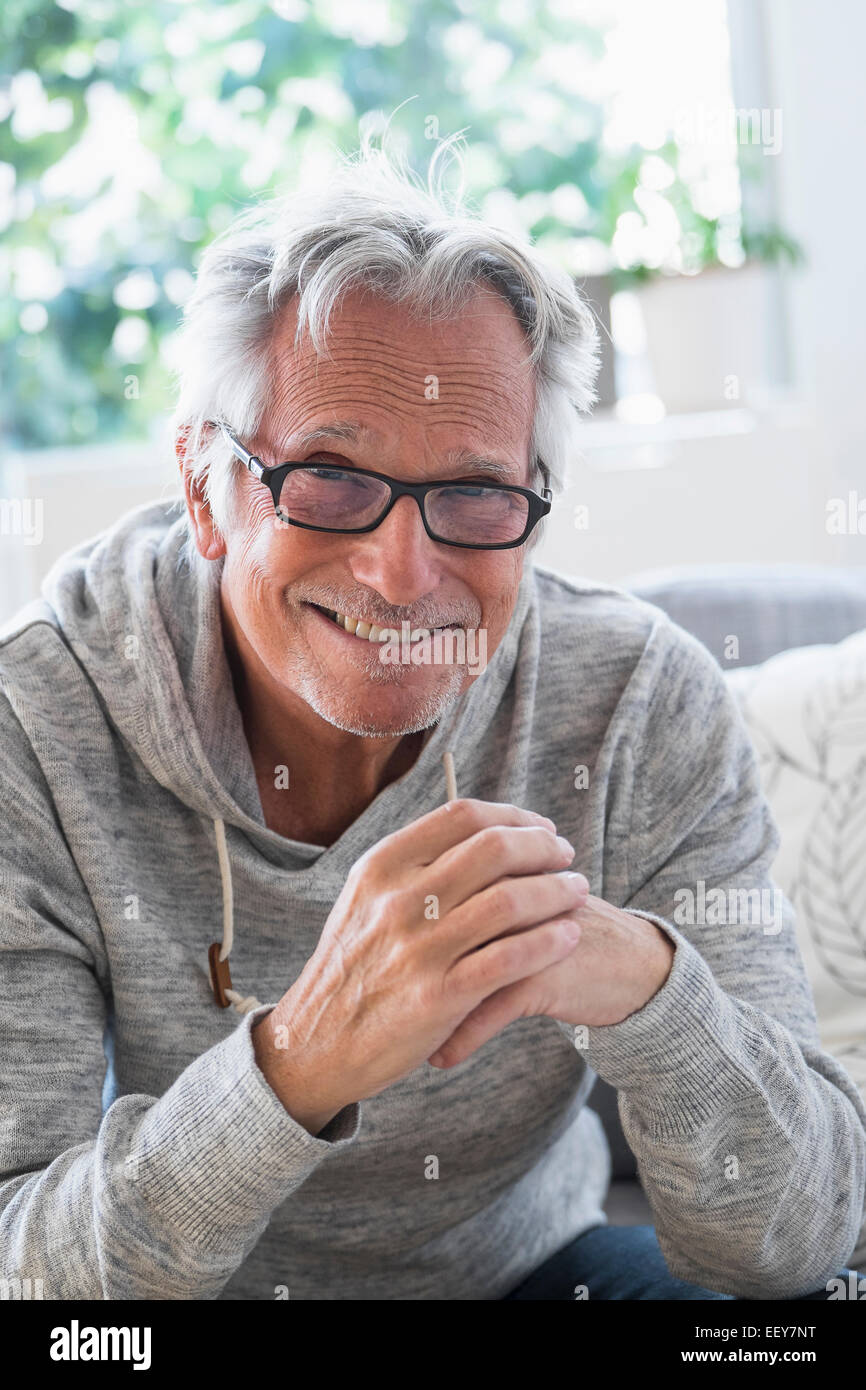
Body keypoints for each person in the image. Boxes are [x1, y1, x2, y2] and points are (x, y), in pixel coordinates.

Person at [1, 137, 864, 1301]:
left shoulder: (637, 698)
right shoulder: (35, 722)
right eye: (328, 476)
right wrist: (302, 1055)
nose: (402, 574)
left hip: (533, 1274)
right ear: (206, 488)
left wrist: (648, 989)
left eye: (471, 491)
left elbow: (796, 1236)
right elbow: (26, 1274)